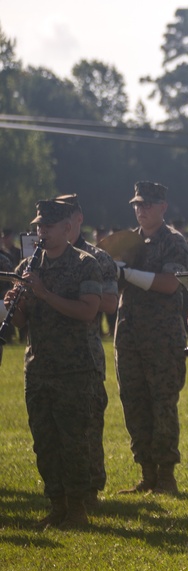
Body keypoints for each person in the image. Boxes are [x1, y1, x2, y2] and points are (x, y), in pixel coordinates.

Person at [3, 199, 102, 529]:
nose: (41, 232)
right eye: (38, 226)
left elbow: (89, 312)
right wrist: (12, 305)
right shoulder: (27, 267)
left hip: (73, 369)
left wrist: (44, 294)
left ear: (67, 228)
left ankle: (77, 507)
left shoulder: (86, 264)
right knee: (44, 441)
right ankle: (57, 504)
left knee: (74, 441)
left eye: (47, 226)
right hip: (39, 367)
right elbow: (20, 322)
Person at [116, 181, 188, 495]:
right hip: (129, 335)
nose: (141, 210)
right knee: (134, 404)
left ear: (163, 207)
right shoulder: (125, 241)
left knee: (162, 405)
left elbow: (170, 284)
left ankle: (166, 476)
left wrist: (126, 273)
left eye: (147, 204)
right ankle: (147, 474)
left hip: (162, 338)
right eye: (137, 204)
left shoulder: (173, 241)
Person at [54, 194, 119, 508]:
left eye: (66, 215)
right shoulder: (43, 257)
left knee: (88, 422)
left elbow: (109, 303)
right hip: (48, 352)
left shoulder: (98, 258)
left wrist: (71, 295)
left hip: (84, 351)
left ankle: (91, 488)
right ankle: (61, 490)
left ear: (79, 218)